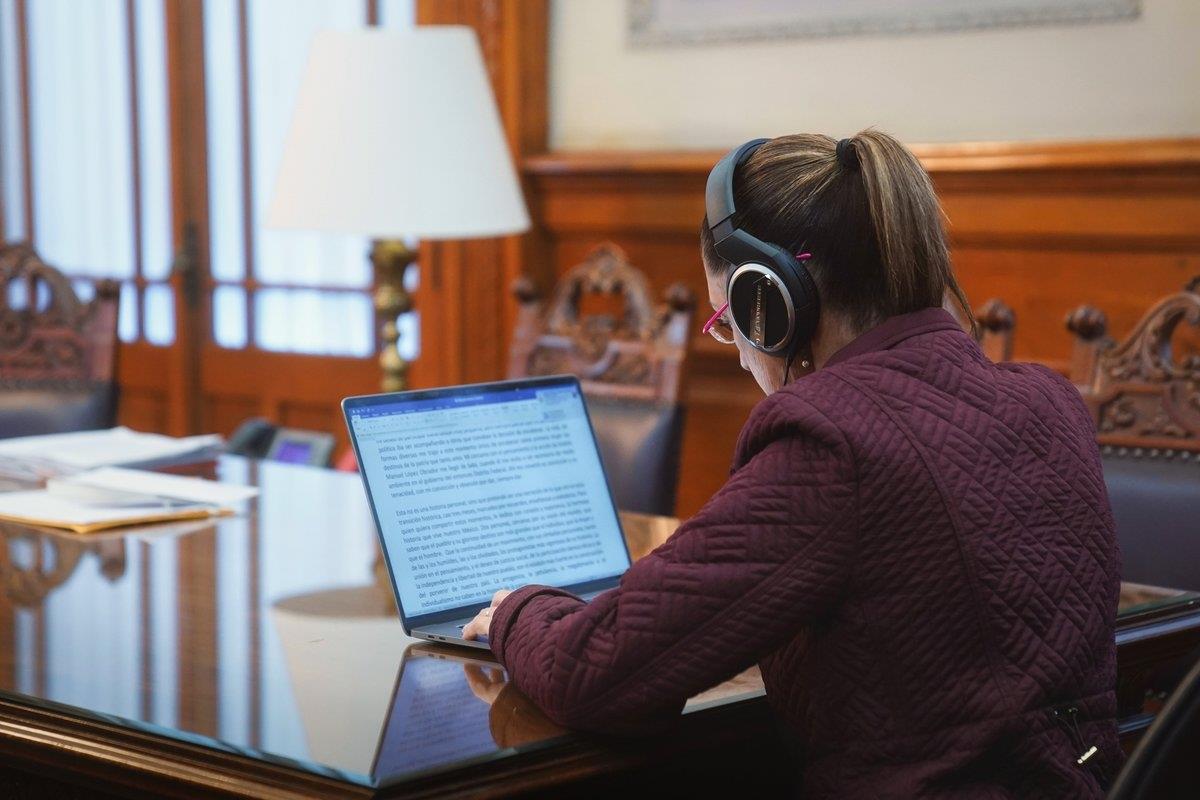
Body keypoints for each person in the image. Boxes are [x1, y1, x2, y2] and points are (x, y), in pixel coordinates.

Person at [463, 130, 1120, 799]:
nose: (739, 353)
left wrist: (520, 610)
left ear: (770, 302)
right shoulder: (1050, 401)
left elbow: (597, 674)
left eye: (728, 321)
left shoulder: (831, 440)